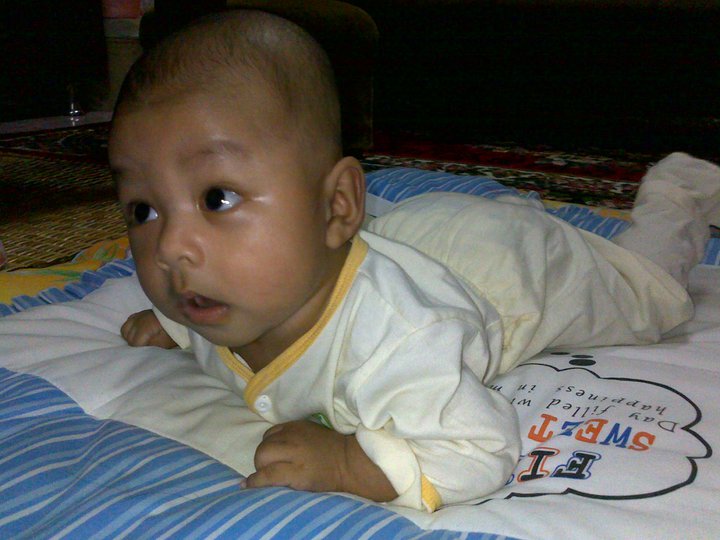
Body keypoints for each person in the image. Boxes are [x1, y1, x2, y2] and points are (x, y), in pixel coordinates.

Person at [109, 10, 720, 512]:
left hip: (506, 272)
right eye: (144, 209)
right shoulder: (219, 289)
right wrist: (174, 322)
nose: (171, 247)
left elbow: (480, 448)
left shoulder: (399, 340)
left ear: (336, 206)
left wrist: (350, 463)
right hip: (413, 237)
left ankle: (681, 191)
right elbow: (194, 290)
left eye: (217, 198)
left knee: (651, 299)